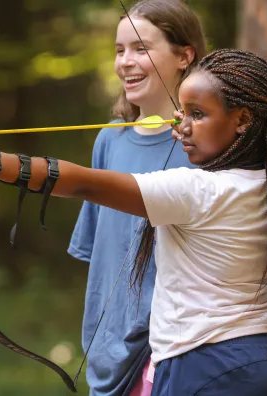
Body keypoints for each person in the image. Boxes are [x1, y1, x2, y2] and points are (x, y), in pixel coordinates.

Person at [0, 48, 267, 395]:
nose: (183, 126)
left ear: (243, 120)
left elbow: (83, 182)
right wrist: (258, 99)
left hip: (206, 368)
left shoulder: (198, 191)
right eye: (183, 113)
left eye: (197, 114)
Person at [67, 0, 206, 395]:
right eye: (119, 50)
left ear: (184, 55)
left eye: (141, 48)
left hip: (170, 351)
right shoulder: (109, 139)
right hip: (106, 355)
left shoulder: (204, 147)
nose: (125, 62)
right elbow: (101, 261)